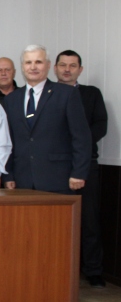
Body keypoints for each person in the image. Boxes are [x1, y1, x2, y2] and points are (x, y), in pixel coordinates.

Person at [2, 45, 91, 195]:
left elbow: (81, 137)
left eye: (38, 62)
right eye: (28, 62)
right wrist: (8, 174)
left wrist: (79, 172)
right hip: (22, 180)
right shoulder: (12, 99)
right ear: (22, 67)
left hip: (58, 178)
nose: (33, 67)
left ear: (49, 65)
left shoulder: (67, 94)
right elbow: (8, 139)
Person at [54, 49, 109, 288]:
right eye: (63, 65)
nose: (67, 69)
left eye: (72, 65)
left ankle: (93, 270)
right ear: (55, 68)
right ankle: (59, 267)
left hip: (86, 164)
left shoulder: (91, 94)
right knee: (56, 220)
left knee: (89, 219)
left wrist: (80, 147)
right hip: (55, 165)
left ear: (80, 70)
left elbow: (100, 125)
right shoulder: (48, 94)